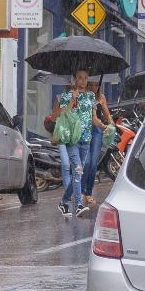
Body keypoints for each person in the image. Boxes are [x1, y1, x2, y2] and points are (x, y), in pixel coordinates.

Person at [49, 70, 95, 218]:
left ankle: (63, 202)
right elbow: (61, 114)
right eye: (80, 78)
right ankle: (78, 204)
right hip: (71, 139)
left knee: (78, 171)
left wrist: (105, 126)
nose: (83, 81)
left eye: (85, 78)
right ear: (74, 79)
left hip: (86, 139)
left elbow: (93, 118)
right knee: (78, 169)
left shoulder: (91, 96)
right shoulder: (67, 95)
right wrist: (72, 100)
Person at [80, 79, 113, 209]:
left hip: (97, 131)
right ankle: (80, 191)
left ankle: (88, 193)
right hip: (84, 130)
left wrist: (112, 125)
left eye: (96, 85)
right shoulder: (82, 96)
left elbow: (107, 114)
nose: (94, 87)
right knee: (86, 162)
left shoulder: (101, 97)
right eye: (91, 85)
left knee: (93, 163)